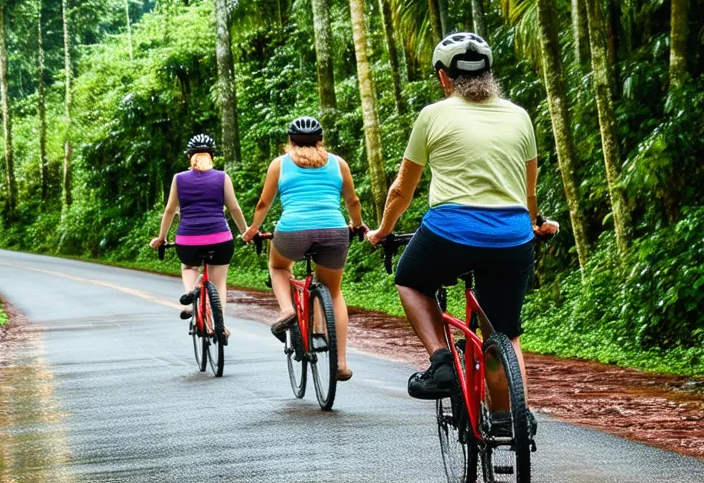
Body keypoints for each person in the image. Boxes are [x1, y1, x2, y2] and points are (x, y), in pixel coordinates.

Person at [366, 33, 557, 427]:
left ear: (443, 77)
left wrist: (383, 230)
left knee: (410, 279)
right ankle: (509, 418)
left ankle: (441, 361)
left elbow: (402, 189)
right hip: (512, 235)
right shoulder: (519, 115)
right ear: (489, 73)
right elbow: (528, 189)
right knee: (504, 332)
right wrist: (536, 224)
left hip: (450, 233)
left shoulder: (433, 115)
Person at [242, 116, 365, 381]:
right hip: (334, 230)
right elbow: (352, 200)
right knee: (333, 291)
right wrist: (357, 225)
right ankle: (341, 363)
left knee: (278, 267)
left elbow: (264, 203)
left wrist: (253, 229)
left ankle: (287, 309)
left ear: (290, 141)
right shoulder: (338, 163)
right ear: (321, 140)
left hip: (292, 231)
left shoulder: (280, 164)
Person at [152, 135, 248, 335]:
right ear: (212, 156)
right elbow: (234, 209)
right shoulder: (223, 178)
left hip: (188, 241)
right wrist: (245, 232)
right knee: (218, 281)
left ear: (190, 157)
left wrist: (162, 238)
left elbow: (170, 210)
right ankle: (218, 325)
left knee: (188, 266)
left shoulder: (179, 179)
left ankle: (190, 293)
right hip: (220, 239)